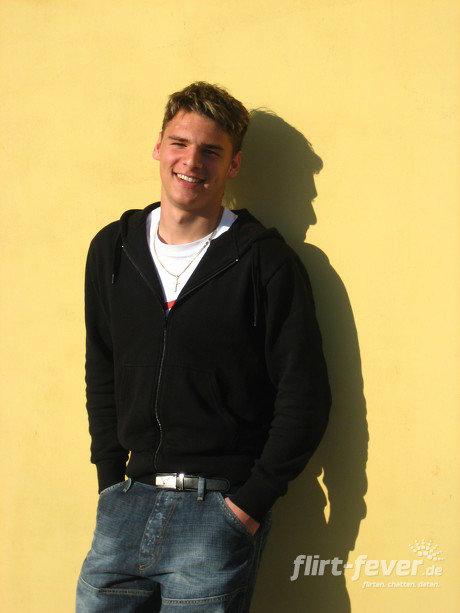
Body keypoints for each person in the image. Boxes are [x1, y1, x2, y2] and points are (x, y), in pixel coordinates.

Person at [76, 82, 331, 612]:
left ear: (233, 165)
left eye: (211, 151)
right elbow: (102, 368)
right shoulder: (113, 249)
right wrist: (108, 481)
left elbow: (304, 396)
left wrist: (248, 505)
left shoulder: (265, 261)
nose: (192, 162)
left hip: (216, 510)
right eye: (180, 143)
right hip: (125, 506)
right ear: (158, 147)